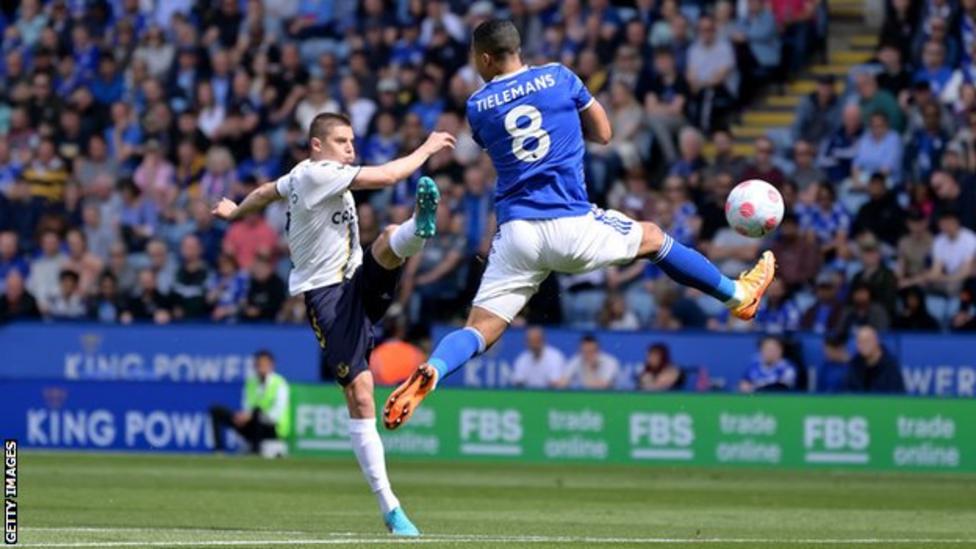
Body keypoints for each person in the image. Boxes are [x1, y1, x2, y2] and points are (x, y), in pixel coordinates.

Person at [385, 19, 775, 429]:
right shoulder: (560, 76)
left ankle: (435, 368)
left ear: (484, 58)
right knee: (654, 238)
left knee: (480, 328)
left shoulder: (477, 106)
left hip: (518, 233)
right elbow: (604, 134)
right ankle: (737, 295)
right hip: (572, 223)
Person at [212, 112, 455, 537]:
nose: (350, 148)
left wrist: (235, 211)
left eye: (352, 140)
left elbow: (267, 191)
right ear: (317, 147)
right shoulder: (316, 175)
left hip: (355, 280)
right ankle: (391, 508)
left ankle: (421, 225)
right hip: (328, 299)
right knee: (361, 396)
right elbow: (385, 176)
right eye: (342, 141)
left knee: (387, 238)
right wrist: (427, 149)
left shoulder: (298, 176)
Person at [209, 350, 289, 454]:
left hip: (273, 430)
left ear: (271, 365)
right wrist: (242, 417)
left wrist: (251, 415)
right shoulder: (251, 383)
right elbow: (246, 407)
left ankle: (255, 451)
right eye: (259, 364)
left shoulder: (280, 384)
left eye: (264, 364)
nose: (261, 367)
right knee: (216, 410)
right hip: (252, 426)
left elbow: (275, 415)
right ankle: (218, 451)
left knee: (257, 412)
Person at [846, 326, 906, 393]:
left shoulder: (890, 366)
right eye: (860, 342)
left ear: (876, 340)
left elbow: (898, 395)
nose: (863, 345)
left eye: (867, 341)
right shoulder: (854, 365)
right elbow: (847, 392)